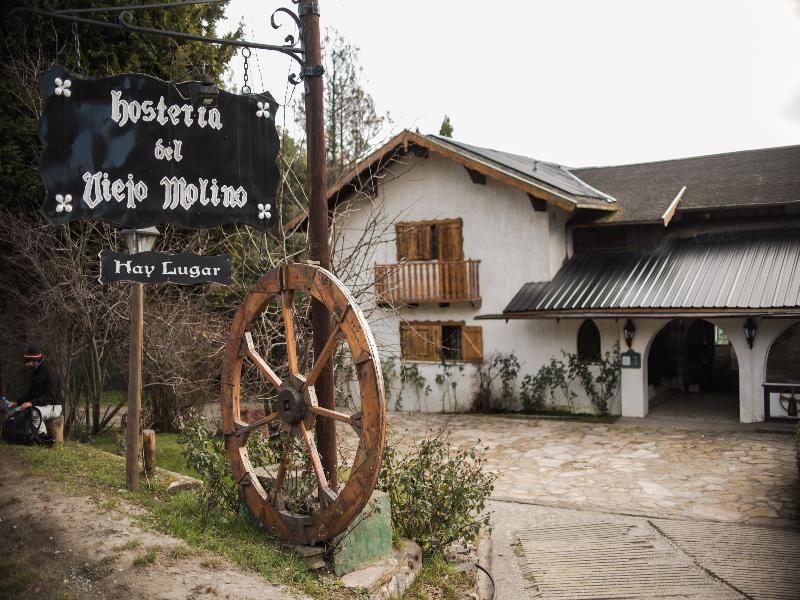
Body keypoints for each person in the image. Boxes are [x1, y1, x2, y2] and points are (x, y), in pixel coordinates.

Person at [13, 346, 62, 433]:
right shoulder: (35, 372)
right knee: (17, 411)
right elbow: (31, 393)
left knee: (34, 412)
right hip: (40, 405)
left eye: (28, 362)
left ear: (36, 361)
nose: (26, 364)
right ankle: (24, 436)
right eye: (25, 362)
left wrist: (32, 403)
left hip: (53, 406)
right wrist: (17, 402)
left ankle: (42, 439)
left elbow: (51, 396)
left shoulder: (49, 372)